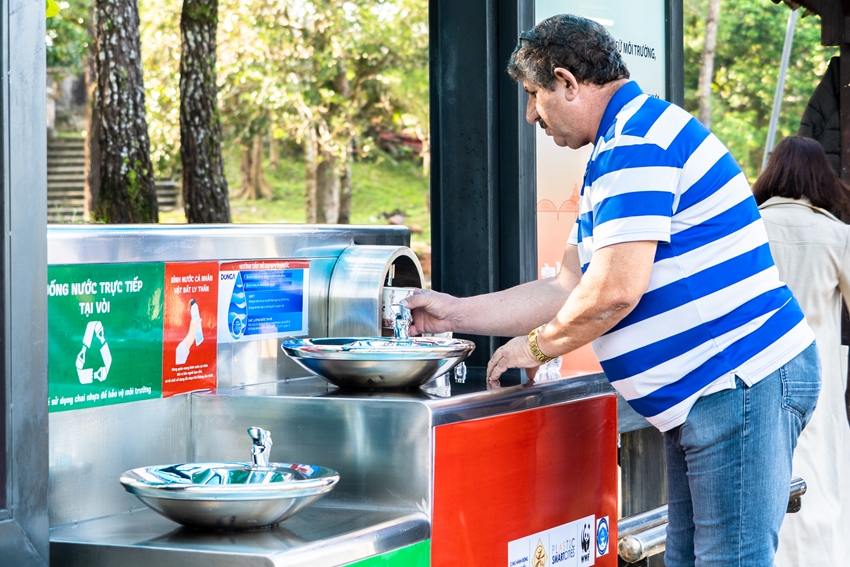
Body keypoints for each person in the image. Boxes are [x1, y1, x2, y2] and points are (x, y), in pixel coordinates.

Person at [403, 14, 821, 567]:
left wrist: (537, 347)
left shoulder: (637, 141)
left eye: (532, 95)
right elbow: (569, 286)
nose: (530, 115)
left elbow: (616, 290)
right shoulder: (617, 146)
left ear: (566, 82)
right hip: (710, 394)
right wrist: (453, 313)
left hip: (736, 381)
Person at [753, 136, 850, 567]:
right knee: (822, 478)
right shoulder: (836, 235)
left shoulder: (748, 228)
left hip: (758, 376)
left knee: (765, 474)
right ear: (820, 176)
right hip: (819, 380)